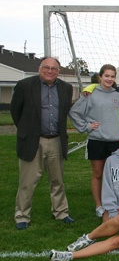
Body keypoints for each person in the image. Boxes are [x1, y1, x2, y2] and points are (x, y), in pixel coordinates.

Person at [11, 57, 75, 229]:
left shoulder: (66, 88)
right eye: (46, 67)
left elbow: (65, 113)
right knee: (27, 181)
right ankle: (22, 216)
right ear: (39, 68)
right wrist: (27, 131)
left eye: (54, 68)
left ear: (58, 71)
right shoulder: (25, 85)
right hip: (33, 140)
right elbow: (15, 111)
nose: (50, 71)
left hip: (56, 140)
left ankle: (61, 212)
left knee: (57, 180)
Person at [69, 64, 119, 217]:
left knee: (113, 175)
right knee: (98, 174)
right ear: (100, 77)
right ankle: (99, 206)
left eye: (112, 76)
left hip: (114, 141)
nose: (109, 79)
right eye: (106, 76)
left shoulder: (117, 95)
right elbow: (74, 112)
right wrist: (86, 126)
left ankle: (112, 204)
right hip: (97, 140)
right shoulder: (90, 94)